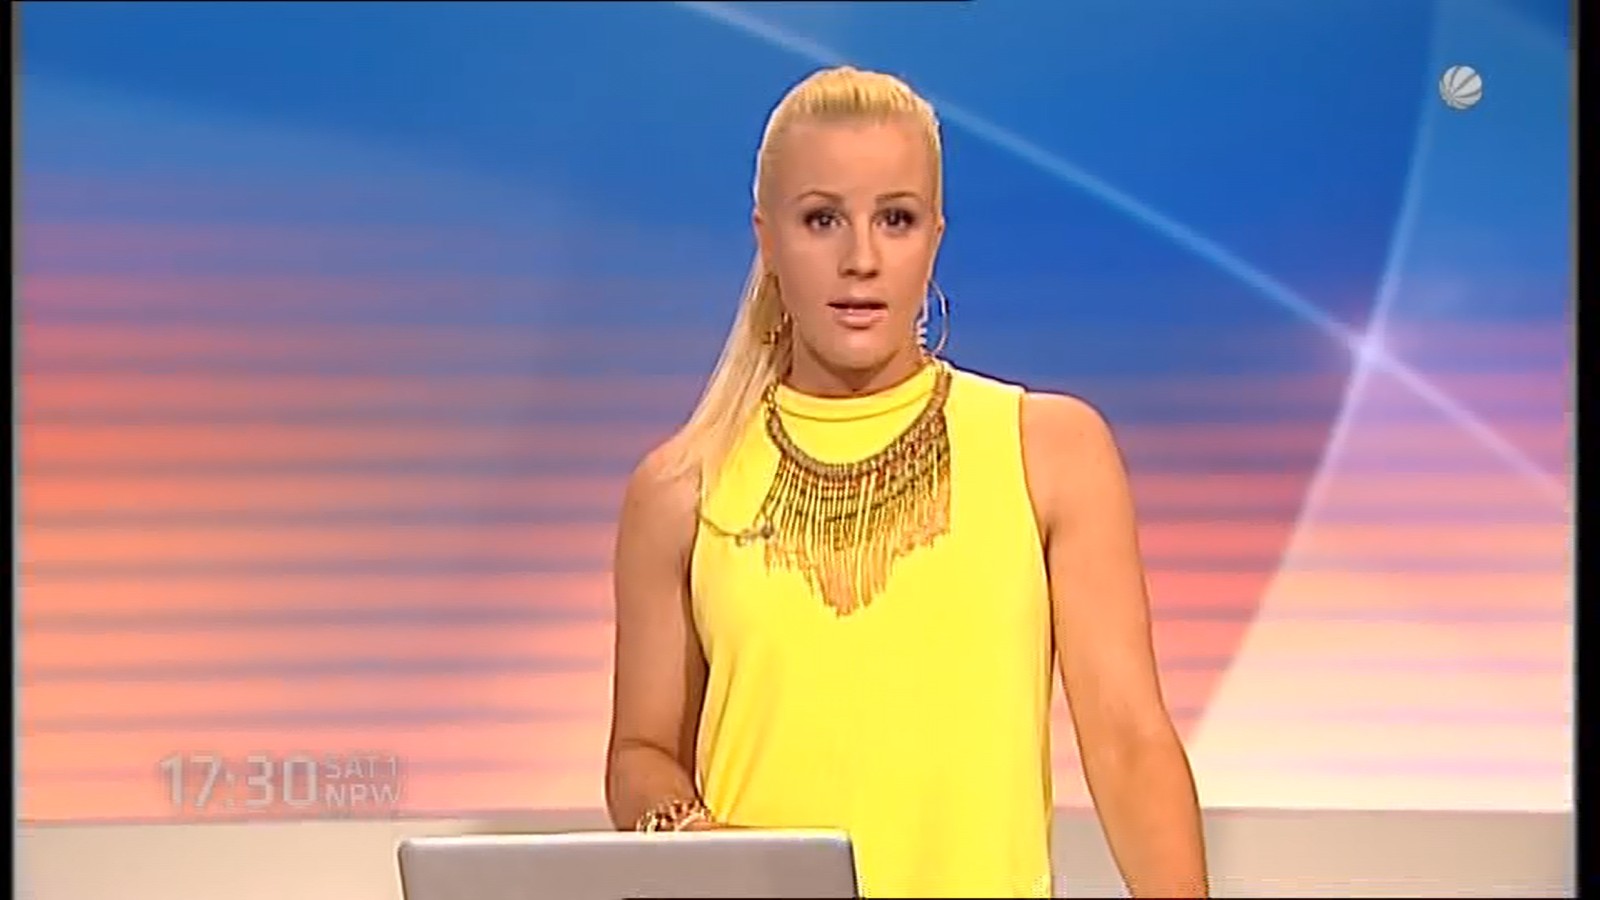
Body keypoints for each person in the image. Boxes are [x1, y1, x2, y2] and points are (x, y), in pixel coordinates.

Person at [605, 65, 1209, 899]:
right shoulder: (681, 488)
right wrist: (691, 835)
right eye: (822, 219)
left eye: (895, 219)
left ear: (935, 236)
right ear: (767, 238)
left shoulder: (1050, 452)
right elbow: (640, 755)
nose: (861, 259)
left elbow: (1129, 742)